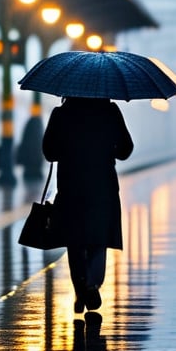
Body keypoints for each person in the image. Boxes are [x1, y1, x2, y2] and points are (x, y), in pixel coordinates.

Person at [42, 96, 134, 313]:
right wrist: (108, 148)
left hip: (71, 187)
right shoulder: (110, 111)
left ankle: (81, 288)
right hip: (102, 187)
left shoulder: (61, 113)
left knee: (74, 242)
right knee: (97, 238)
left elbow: (49, 153)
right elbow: (126, 149)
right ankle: (92, 284)